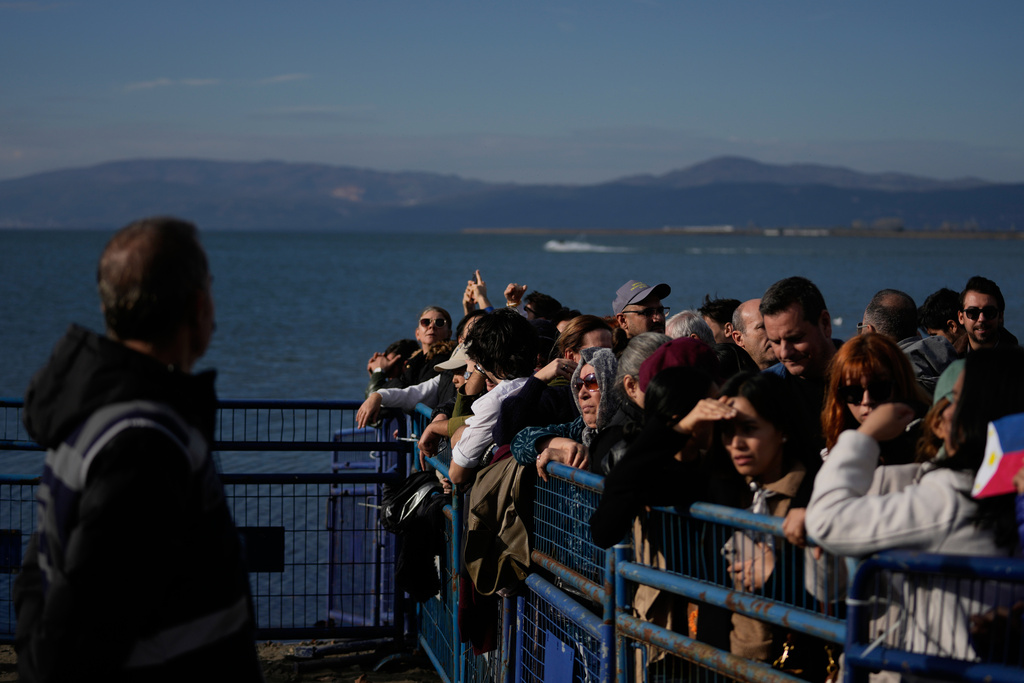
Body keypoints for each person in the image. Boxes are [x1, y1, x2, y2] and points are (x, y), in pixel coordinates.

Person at [14, 217, 262, 682]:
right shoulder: (144, 446)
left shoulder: (93, 413)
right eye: (209, 287)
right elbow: (73, 650)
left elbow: (44, 565)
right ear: (196, 305)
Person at [806, 346, 1024, 659]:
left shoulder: (950, 499)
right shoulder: (1012, 493)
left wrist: (866, 436)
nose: (947, 410)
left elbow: (827, 520)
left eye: (958, 400)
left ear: (980, 409)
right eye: (852, 392)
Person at [510, 347, 619, 480]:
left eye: (592, 382)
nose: (582, 394)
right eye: (579, 384)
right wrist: (566, 446)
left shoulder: (630, 430)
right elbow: (519, 441)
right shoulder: (582, 428)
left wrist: (589, 459)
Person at [821, 332, 930, 465]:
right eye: (853, 392)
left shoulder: (930, 448)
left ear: (901, 384)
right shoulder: (831, 455)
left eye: (879, 389)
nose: (866, 400)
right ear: (840, 396)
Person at [760, 276, 840, 452]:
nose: (784, 352)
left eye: (795, 338)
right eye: (775, 341)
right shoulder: (765, 391)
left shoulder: (869, 376)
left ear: (825, 323)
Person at [859, 288, 956, 396]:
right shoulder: (957, 364)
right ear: (916, 332)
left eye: (860, 328)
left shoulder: (885, 388)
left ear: (870, 333)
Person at [955, 276, 1019, 355]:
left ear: (1000, 316)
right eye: (973, 312)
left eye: (989, 312)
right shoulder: (948, 362)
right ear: (961, 317)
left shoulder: (1019, 363)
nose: (981, 319)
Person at [731, 298, 777, 371]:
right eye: (763, 327)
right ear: (739, 338)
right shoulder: (733, 381)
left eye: (776, 326)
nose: (774, 334)